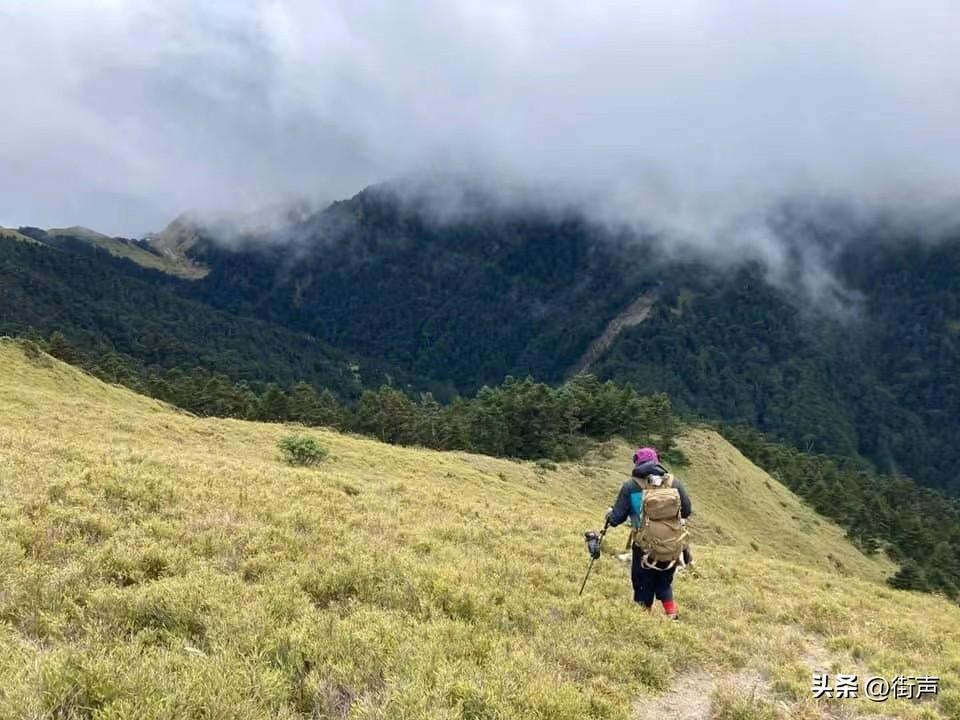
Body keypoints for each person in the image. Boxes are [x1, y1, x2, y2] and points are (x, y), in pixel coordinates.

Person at [604, 447, 692, 619]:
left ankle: (644, 621)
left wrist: (609, 514)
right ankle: (672, 616)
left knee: (642, 585)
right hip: (671, 544)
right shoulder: (674, 483)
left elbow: (616, 519)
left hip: (644, 545)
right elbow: (687, 510)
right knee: (664, 582)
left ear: (637, 463)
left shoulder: (631, 486)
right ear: (657, 461)